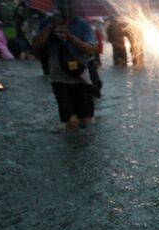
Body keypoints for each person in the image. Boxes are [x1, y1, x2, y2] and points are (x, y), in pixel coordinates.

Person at [32, 0, 98, 133]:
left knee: (86, 121)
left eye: (69, 4)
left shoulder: (82, 25)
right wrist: (50, 27)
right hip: (59, 79)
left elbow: (91, 50)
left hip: (81, 78)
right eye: (62, 4)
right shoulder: (47, 23)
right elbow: (35, 47)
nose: (66, 7)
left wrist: (70, 36)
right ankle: (71, 147)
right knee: (71, 121)